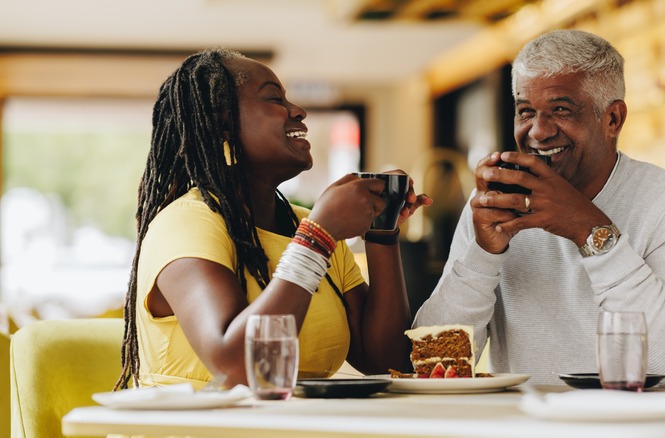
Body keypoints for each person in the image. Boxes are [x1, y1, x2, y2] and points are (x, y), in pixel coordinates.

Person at [115, 48, 431, 390]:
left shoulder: (308, 227)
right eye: (274, 99)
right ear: (223, 124)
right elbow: (237, 369)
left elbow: (384, 361)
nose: (298, 111)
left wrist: (381, 232)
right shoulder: (188, 222)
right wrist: (317, 238)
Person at [413, 29, 665, 387]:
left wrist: (588, 229)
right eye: (526, 111)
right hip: (539, 424)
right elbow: (433, 363)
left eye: (560, 110)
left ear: (613, 120)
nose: (538, 132)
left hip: (650, 424)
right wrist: (483, 255)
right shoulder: (496, 205)